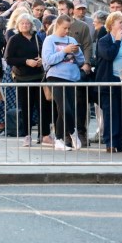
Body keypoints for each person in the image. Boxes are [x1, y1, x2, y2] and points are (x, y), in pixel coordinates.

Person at [42, 14, 86, 151]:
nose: (67, 31)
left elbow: (81, 61)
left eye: (69, 28)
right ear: (57, 26)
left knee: (68, 108)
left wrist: (77, 52)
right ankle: (73, 132)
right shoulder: (49, 40)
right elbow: (48, 60)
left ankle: (59, 139)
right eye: (64, 28)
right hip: (55, 76)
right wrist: (64, 52)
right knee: (63, 107)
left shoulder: (71, 39)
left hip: (71, 76)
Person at [5, 13, 50, 146]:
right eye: (22, 23)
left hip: (39, 77)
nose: (25, 25)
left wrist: (42, 60)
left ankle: (45, 134)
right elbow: (8, 59)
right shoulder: (14, 39)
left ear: (31, 25)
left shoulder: (37, 38)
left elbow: (44, 53)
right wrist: (26, 61)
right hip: (23, 78)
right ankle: (27, 135)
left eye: (27, 23)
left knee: (43, 106)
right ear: (18, 25)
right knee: (26, 107)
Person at [94, 11, 122, 153]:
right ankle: (111, 142)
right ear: (111, 25)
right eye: (120, 22)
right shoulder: (104, 40)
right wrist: (117, 41)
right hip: (110, 81)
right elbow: (108, 55)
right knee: (111, 113)